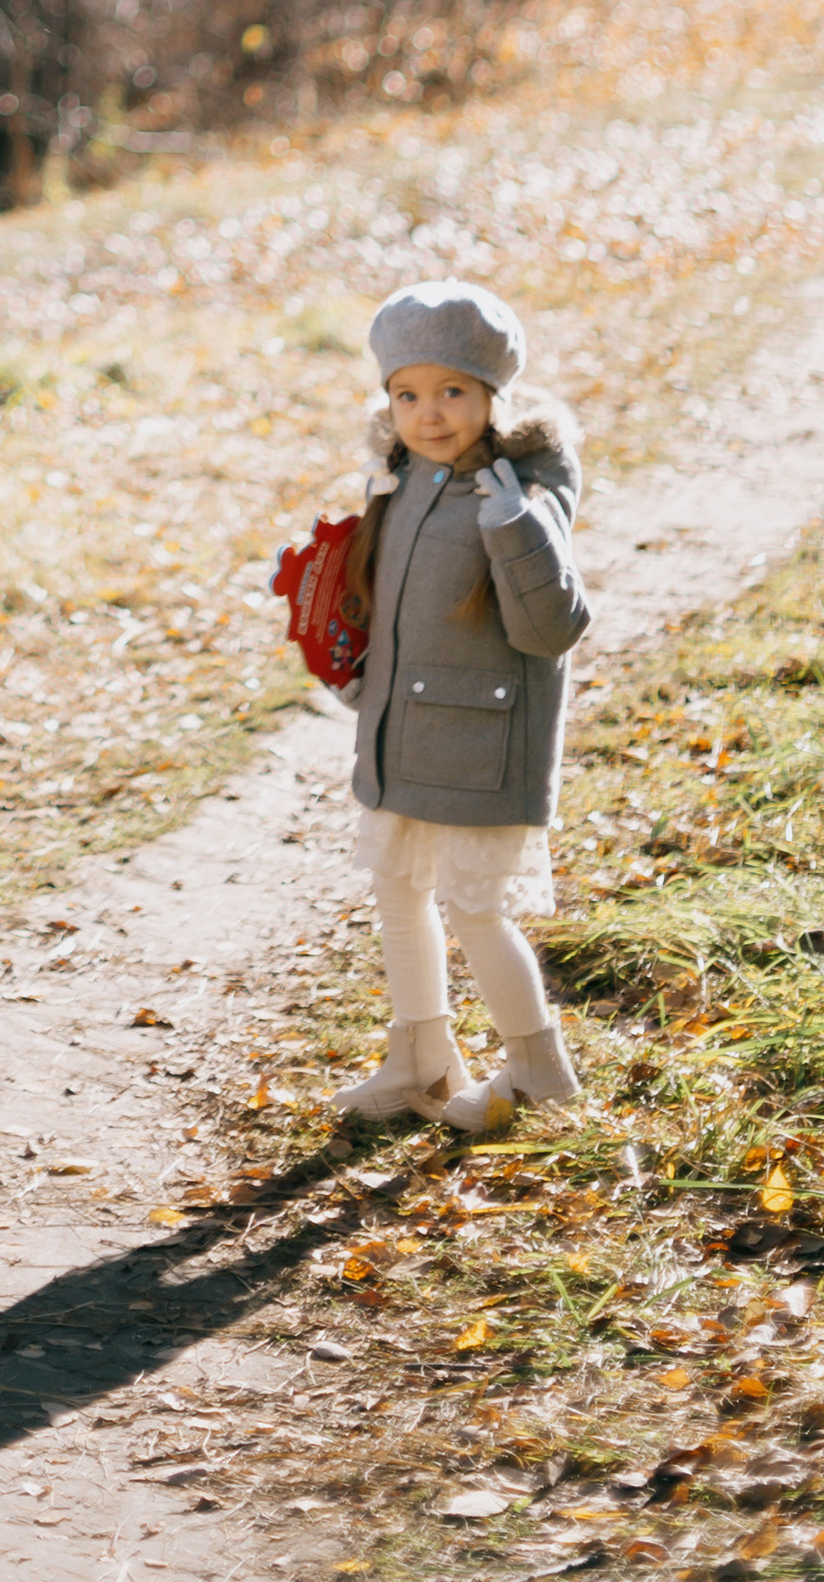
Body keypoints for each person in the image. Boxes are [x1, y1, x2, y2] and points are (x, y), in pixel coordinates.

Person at [335, 281, 591, 1135]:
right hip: (402, 730)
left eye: (452, 390)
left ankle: (540, 1069)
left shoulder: (524, 482)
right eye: (407, 393)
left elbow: (552, 624)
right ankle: (421, 1055)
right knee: (398, 887)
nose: (429, 413)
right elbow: (390, 606)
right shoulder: (402, 478)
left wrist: (514, 523)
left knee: (477, 906)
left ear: (493, 393)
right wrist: (351, 661)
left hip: (485, 735)